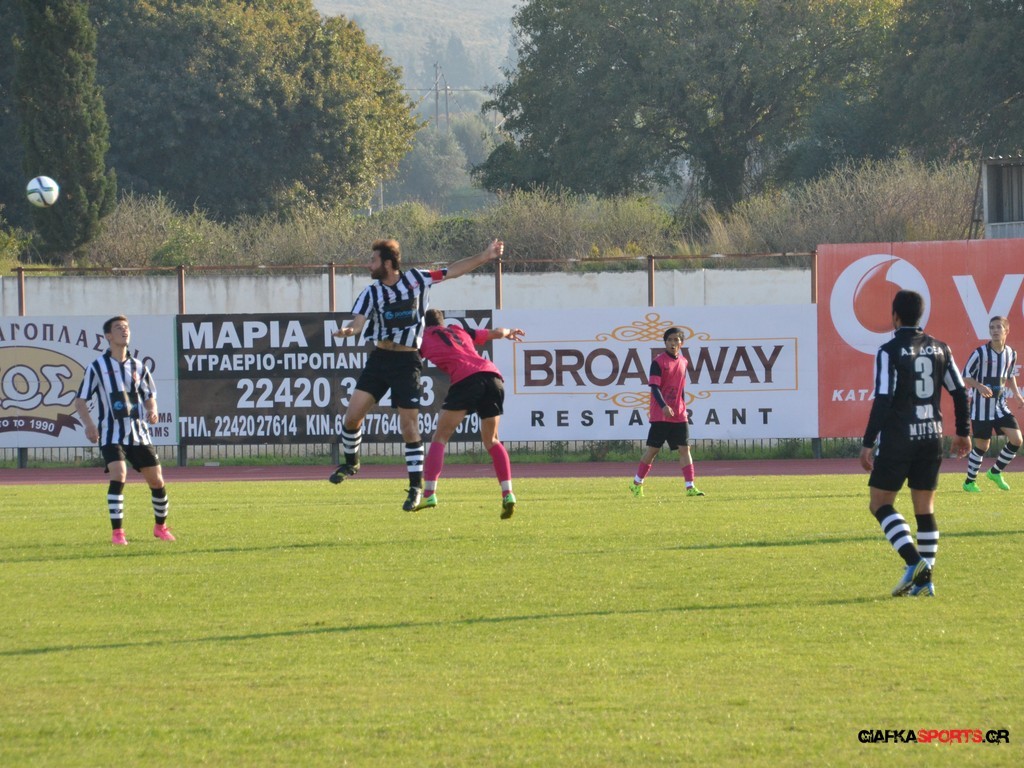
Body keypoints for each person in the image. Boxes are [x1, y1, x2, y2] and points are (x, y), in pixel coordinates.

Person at [329, 238, 504, 512]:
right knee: (352, 417)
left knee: (409, 427)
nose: (369, 265)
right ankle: (351, 463)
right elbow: (359, 322)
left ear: (388, 263)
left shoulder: (416, 279)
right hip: (380, 359)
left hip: (407, 361)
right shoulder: (371, 292)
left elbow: (452, 271)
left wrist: (485, 255)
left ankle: (415, 488)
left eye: (373, 260)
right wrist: (349, 330)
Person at [859, 290, 971, 598]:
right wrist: (963, 431)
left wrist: (868, 442)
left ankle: (914, 562)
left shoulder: (888, 351)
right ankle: (925, 582)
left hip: (899, 438)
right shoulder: (941, 348)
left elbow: (883, 399)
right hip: (932, 436)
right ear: (920, 316)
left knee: (879, 503)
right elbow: (960, 392)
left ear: (894, 317)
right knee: (925, 509)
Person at [74, 315, 174, 546]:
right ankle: (118, 533)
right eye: (118, 328)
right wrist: (89, 425)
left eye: (126, 327)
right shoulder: (97, 367)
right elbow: (80, 400)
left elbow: (149, 396)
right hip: (111, 434)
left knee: (157, 481)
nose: (124, 330)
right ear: (108, 336)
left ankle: (160, 527)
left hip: (138, 434)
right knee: (119, 474)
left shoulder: (139, 366)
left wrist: (153, 411)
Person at [417, 309, 525, 519]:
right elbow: (495, 332)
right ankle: (508, 493)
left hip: (466, 379)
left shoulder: (423, 338)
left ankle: (429, 494)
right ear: (443, 322)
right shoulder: (459, 330)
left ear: (425, 325)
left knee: (440, 437)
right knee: (492, 440)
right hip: (492, 376)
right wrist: (509, 331)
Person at [628, 326, 705, 499]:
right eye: (669, 340)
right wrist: (663, 406)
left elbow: (680, 388)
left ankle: (690, 487)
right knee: (653, 450)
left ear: (681, 343)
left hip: (679, 414)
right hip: (660, 414)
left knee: (684, 448)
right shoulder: (658, 362)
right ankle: (637, 483)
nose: (673, 343)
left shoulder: (683, 362)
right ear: (665, 342)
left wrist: (682, 406)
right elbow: (654, 387)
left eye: (676, 340)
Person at [961, 315, 1022, 492]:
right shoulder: (980, 353)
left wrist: (1017, 395)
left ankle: (995, 472)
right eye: (992, 327)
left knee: (1017, 439)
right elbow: (965, 375)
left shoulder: (1011, 353)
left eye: (998, 327)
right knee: (983, 446)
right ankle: (969, 482)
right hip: (981, 408)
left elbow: (1010, 375)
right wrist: (979, 386)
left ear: (1006, 330)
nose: (995, 330)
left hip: (1000, 407)